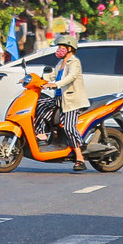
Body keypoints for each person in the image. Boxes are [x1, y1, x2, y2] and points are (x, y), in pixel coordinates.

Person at [49, 37, 90, 171]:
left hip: (72, 101)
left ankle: (80, 157)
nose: (59, 49)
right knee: (41, 109)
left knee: (68, 127)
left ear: (70, 48)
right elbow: (52, 76)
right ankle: (43, 138)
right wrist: (34, 79)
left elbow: (71, 77)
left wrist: (56, 84)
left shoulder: (74, 62)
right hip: (59, 99)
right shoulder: (60, 62)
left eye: (62, 47)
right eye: (58, 47)